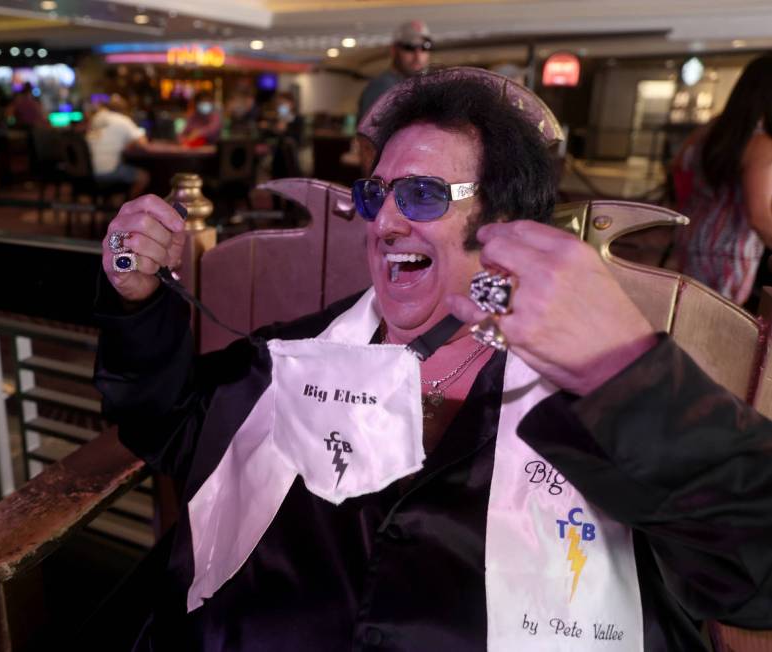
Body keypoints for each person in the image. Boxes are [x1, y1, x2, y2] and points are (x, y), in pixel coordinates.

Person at [94, 68, 772, 650]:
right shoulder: (301, 354)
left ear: (504, 219)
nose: (384, 221)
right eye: (374, 194)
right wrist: (136, 303)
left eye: (419, 194)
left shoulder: (602, 394)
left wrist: (618, 369)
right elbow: (170, 428)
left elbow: (753, 572)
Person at [671, 54, 772, 306]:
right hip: (731, 251)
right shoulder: (760, 144)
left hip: (693, 237)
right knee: (714, 330)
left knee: (688, 318)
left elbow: (677, 169)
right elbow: (759, 216)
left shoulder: (710, 129)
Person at [357, 19, 433, 124]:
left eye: (425, 47)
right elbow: (367, 136)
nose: (418, 56)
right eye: (409, 47)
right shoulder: (383, 87)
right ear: (394, 50)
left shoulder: (418, 86)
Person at [86, 93, 150, 196]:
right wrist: (130, 143)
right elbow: (143, 143)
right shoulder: (123, 120)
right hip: (108, 171)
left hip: (88, 171)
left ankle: (115, 205)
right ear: (124, 109)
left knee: (122, 171)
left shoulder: (97, 118)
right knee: (143, 177)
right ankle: (130, 210)